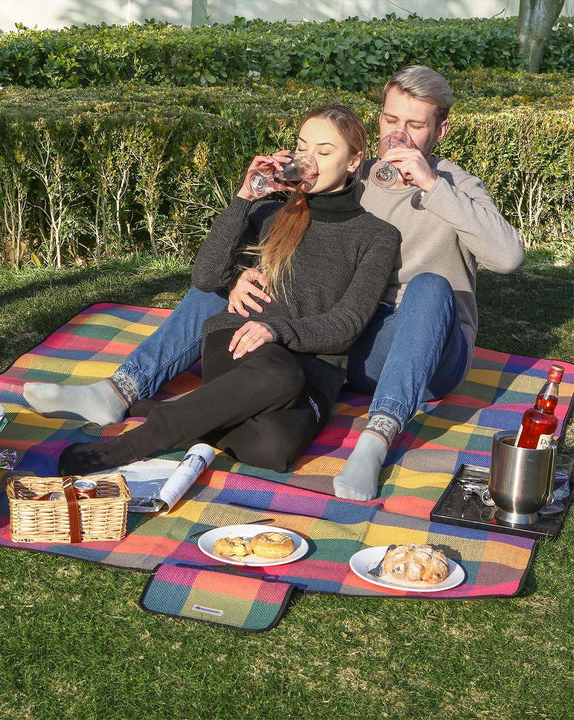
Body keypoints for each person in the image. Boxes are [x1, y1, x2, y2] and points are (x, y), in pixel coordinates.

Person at [27, 66, 524, 499]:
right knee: (230, 284)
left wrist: (432, 185)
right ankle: (120, 388)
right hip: (342, 334)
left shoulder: (453, 185)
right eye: (390, 120)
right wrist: (240, 274)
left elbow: (507, 258)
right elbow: (279, 250)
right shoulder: (350, 172)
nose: (398, 136)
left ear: (440, 129)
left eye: (415, 125)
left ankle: (377, 437)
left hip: (419, 345)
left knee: (430, 287)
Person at [55, 105, 400, 476]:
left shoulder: (378, 236)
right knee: (277, 373)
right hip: (238, 345)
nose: (308, 160)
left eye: (324, 151)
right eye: (302, 148)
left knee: (276, 450)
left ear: (354, 160)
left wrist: (279, 330)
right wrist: (244, 198)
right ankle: (133, 445)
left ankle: (187, 412)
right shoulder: (270, 212)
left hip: (316, 368)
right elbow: (205, 277)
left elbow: (347, 323)